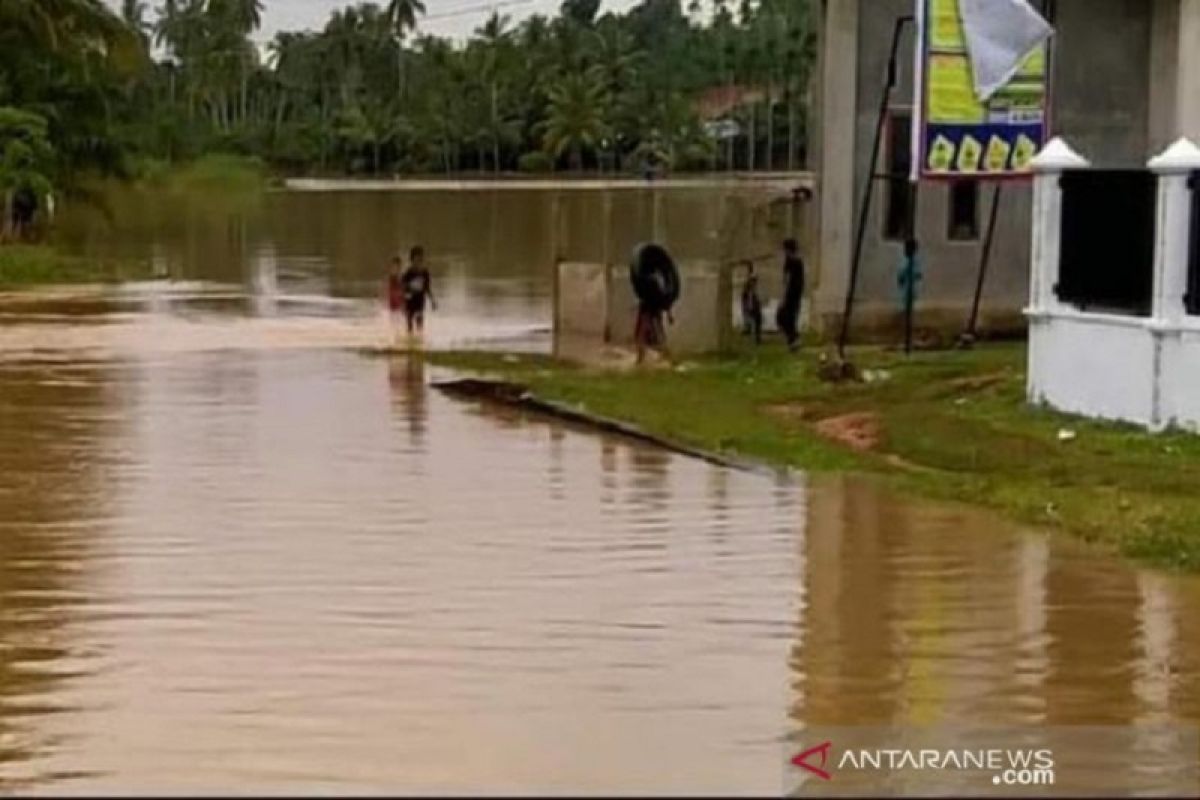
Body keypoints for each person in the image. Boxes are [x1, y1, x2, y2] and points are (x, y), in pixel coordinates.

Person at [775, 238, 805, 351]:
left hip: (792, 294)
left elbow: (787, 280)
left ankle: (794, 340)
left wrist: (783, 296)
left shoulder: (793, 262)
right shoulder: (795, 261)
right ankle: (792, 340)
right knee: (788, 318)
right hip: (794, 294)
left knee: (786, 317)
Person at [401, 245, 437, 336]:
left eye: (420, 260)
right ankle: (409, 340)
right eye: (416, 260)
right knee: (409, 325)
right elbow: (402, 288)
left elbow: (427, 288)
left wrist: (432, 300)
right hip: (409, 302)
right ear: (412, 260)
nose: (418, 263)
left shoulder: (425, 273)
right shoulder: (408, 273)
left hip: (420, 301)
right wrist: (403, 301)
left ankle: (419, 340)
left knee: (420, 323)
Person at [385, 255, 406, 344]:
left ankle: (398, 338)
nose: (397, 267)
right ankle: (394, 339)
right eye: (395, 265)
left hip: (399, 300)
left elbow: (402, 288)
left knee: (400, 321)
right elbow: (391, 289)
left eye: (398, 265)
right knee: (395, 321)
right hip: (394, 301)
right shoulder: (392, 276)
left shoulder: (400, 276)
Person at [740, 260, 763, 344]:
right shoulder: (748, 285)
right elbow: (747, 296)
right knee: (755, 319)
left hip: (752, 303)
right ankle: (751, 332)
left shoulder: (750, 284)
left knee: (757, 320)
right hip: (750, 303)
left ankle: (756, 337)